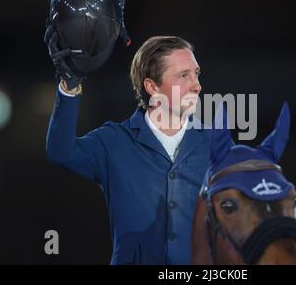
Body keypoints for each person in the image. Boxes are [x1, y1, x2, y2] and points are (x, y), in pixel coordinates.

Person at [45, 36, 210, 264]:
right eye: (184, 76)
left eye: (196, 73)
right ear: (152, 87)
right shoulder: (113, 142)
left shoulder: (214, 144)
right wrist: (69, 84)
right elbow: (60, 152)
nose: (197, 85)